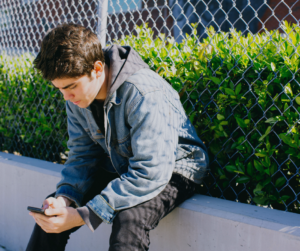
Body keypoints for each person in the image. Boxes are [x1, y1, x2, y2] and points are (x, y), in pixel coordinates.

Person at [26, 23, 209, 251]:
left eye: (71, 86)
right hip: (123, 163)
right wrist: (65, 199)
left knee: (129, 220)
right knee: (51, 215)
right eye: (59, 89)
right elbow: (83, 155)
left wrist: (85, 215)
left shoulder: (143, 92)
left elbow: (151, 171)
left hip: (174, 169)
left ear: (98, 68)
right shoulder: (76, 98)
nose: (66, 96)